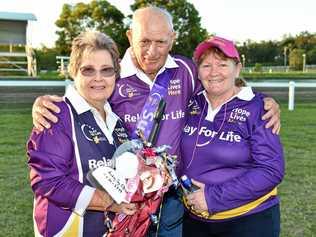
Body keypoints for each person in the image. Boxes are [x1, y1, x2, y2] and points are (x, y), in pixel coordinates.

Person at [31, 6, 281, 237]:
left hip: (174, 198)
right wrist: (44, 104)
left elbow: (218, 80)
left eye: (161, 42)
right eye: (145, 41)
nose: (152, 51)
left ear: (172, 38)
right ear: (130, 37)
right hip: (123, 196)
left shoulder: (185, 70)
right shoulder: (111, 73)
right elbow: (84, 95)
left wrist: (259, 101)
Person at [27, 31, 137, 237]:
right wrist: (109, 202)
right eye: (88, 70)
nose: (98, 78)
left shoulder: (117, 122)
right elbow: (47, 180)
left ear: (116, 74)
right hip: (67, 230)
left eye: (106, 70)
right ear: (73, 71)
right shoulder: (55, 115)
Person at [180, 36, 285, 237]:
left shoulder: (258, 108)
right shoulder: (192, 103)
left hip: (248, 221)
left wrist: (212, 198)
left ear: (237, 69)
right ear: (198, 72)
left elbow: (271, 170)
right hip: (195, 220)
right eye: (206, 65)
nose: (214, 72)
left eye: (222, 64)